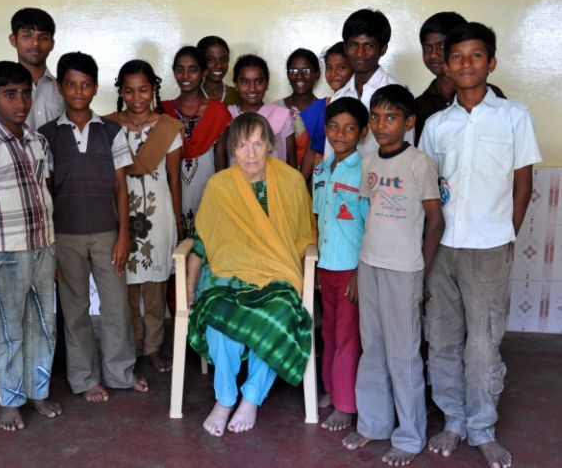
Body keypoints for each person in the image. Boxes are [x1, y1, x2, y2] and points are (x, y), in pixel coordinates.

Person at [420, 22, 542, 468]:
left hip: (489, 247)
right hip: (443, 247)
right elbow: (428, 189)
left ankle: (482, 427)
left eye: (476, 56)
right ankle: (453, 421)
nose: (466, 64)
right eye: (457, 57)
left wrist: (505, 234)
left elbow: (523, 183)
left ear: (491, 62)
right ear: (445, 65)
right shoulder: (436, 124)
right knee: (443, 337)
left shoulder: (514, 116)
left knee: (484, 343)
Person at [186, 113, 317, 437]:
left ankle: (252, 397)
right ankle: (225, 397)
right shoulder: (220, 186)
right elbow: (202, 243)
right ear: (232, 149)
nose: (251, 154)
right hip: (228, 276)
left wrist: (301, 282)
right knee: (218, 319)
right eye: (243, 146)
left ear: (271, 145)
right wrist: (189, 287)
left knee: (276, 315)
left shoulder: (290, 181)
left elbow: (303, 237)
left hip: (277, 276)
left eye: (258, 144)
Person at [342, 85, 445, 466]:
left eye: (391, 118)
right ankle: (373, 423)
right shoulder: (369, 162)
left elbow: (436, 221)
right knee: (374, 348)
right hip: (370, 264)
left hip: (405, 269)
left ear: (409, 122)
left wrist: (422, 268)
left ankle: (410, 436)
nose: (382, 125)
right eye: (376, 117)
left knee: (403, 354)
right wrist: (357, 268)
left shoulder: (419, 163)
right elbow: (367, 219)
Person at [39, 52, 148, 403]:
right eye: (71, 84)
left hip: (106, 234)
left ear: (95, 88)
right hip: (65, 235)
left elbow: (121, 185)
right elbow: (47, 191)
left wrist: (124, 235)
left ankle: (120, 373)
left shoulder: (112, 131)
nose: (78, 91)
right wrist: (50, 244)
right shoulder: (47, 136)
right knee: (75, 311)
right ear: (60, 87)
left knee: (116, 307)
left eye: (85, 85)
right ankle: (84, 379)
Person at [0, 61, 62, 431]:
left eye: (25, 94)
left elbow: (47, 192)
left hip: (43, 247)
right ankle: (10, 399)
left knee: (43, 324)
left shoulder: (39, 143)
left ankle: (38, 392)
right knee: (9, 329)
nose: (19, 102)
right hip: (6, 252)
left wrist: (49, 243)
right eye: (10, 95)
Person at [105, 60, 183, 372]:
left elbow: (174, 180)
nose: (137, 97)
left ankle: (153, 347)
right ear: (121, 92)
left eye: (143, 90)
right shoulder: (108, 126)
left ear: (153, 89)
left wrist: (178, 223)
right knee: (126, 287)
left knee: (154, 288)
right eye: (129, 91)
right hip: (121, 216)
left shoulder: (167, 128)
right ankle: (133, 345)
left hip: (158, 216)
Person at [313, 98, 369, 431]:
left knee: (349, 337)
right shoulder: (321, 169)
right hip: (326, 267)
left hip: (351, 269)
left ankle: (346, 405)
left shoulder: (364, 170)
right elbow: (319, 218)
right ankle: (333, 391)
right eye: (334, 127)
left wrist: (361, 273)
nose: (340, 134)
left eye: (349, 128)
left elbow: (371, 225)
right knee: (330, 333)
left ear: (362, 133)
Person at [161, 46, 231, 238]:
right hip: (170, 198)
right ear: (173, 72)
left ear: (203, 73)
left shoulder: (218, 112)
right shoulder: (163, 111)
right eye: (180, 69)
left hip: (209, 195)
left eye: (193, 69)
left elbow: (221, 165)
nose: (186, 75)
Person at [329, 9, 413, 158]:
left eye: (369, 46)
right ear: (345, 48)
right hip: (345, 181)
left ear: (383, 49)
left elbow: (406, 153)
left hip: (385, 180)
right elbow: (331, 153)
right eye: (354, 45)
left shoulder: (398, 94)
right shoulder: (338, 97)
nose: (360, 53)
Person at [414, 12, 506, 144]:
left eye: (441, 46)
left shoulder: (491, 96)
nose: (433, 55)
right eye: (427, 48)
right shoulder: (419, 105)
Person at [0, 8, 64, 132]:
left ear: (52, 44)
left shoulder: (62, 89)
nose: (35, 43)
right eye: (27, 36)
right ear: (13, 40)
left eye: (43, 37)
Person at [224, 54, 297, 168]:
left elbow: (292, 162)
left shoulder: (282, 115)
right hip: (235, 184)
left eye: (258, 81)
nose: (252, 88)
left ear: (267, 83)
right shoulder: (227, 115)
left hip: (275, 184)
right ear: (236, 84)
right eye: (245, 82)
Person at [300, 42, 354, 170]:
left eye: (341, 67)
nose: (333, 73)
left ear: (353, 68)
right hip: (322, 173)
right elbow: (312, 151)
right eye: (329, 67)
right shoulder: (321, 107)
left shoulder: (356, 104)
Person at [276, 48, 318, 171]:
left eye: (306, 70)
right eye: (293, 70)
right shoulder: (276, 109)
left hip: (318, 183)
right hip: (281, 181)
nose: (299, 76)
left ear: (317, 74)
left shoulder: (325, 109)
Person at [197, 35, 241, 106]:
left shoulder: (239, 95)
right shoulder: (192, 95)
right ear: (200, 62)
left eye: (224, 59)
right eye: (211, 59)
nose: (219, 65)